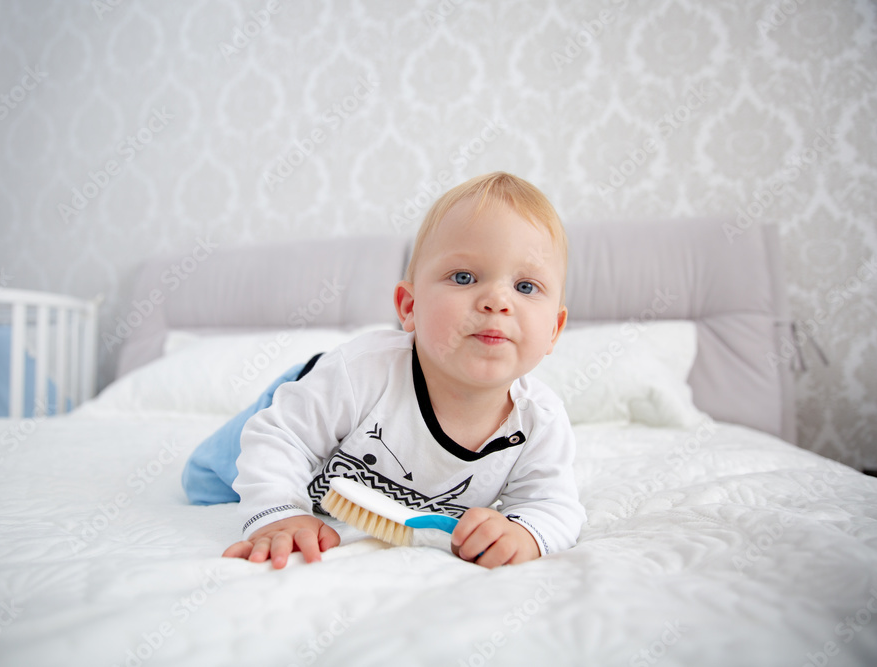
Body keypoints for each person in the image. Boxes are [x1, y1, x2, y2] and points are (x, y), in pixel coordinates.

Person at [182, 171, 586, 569]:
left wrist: (526, 534)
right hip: (311, 396)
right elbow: (280, 438)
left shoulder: (538, 423)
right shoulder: (363, 373)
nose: (497, 301)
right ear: (409, 307)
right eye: (464, 277)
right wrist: (278, 514)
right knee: (204, 483)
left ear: (554, 330)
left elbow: (552, 505)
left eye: (527, 287)